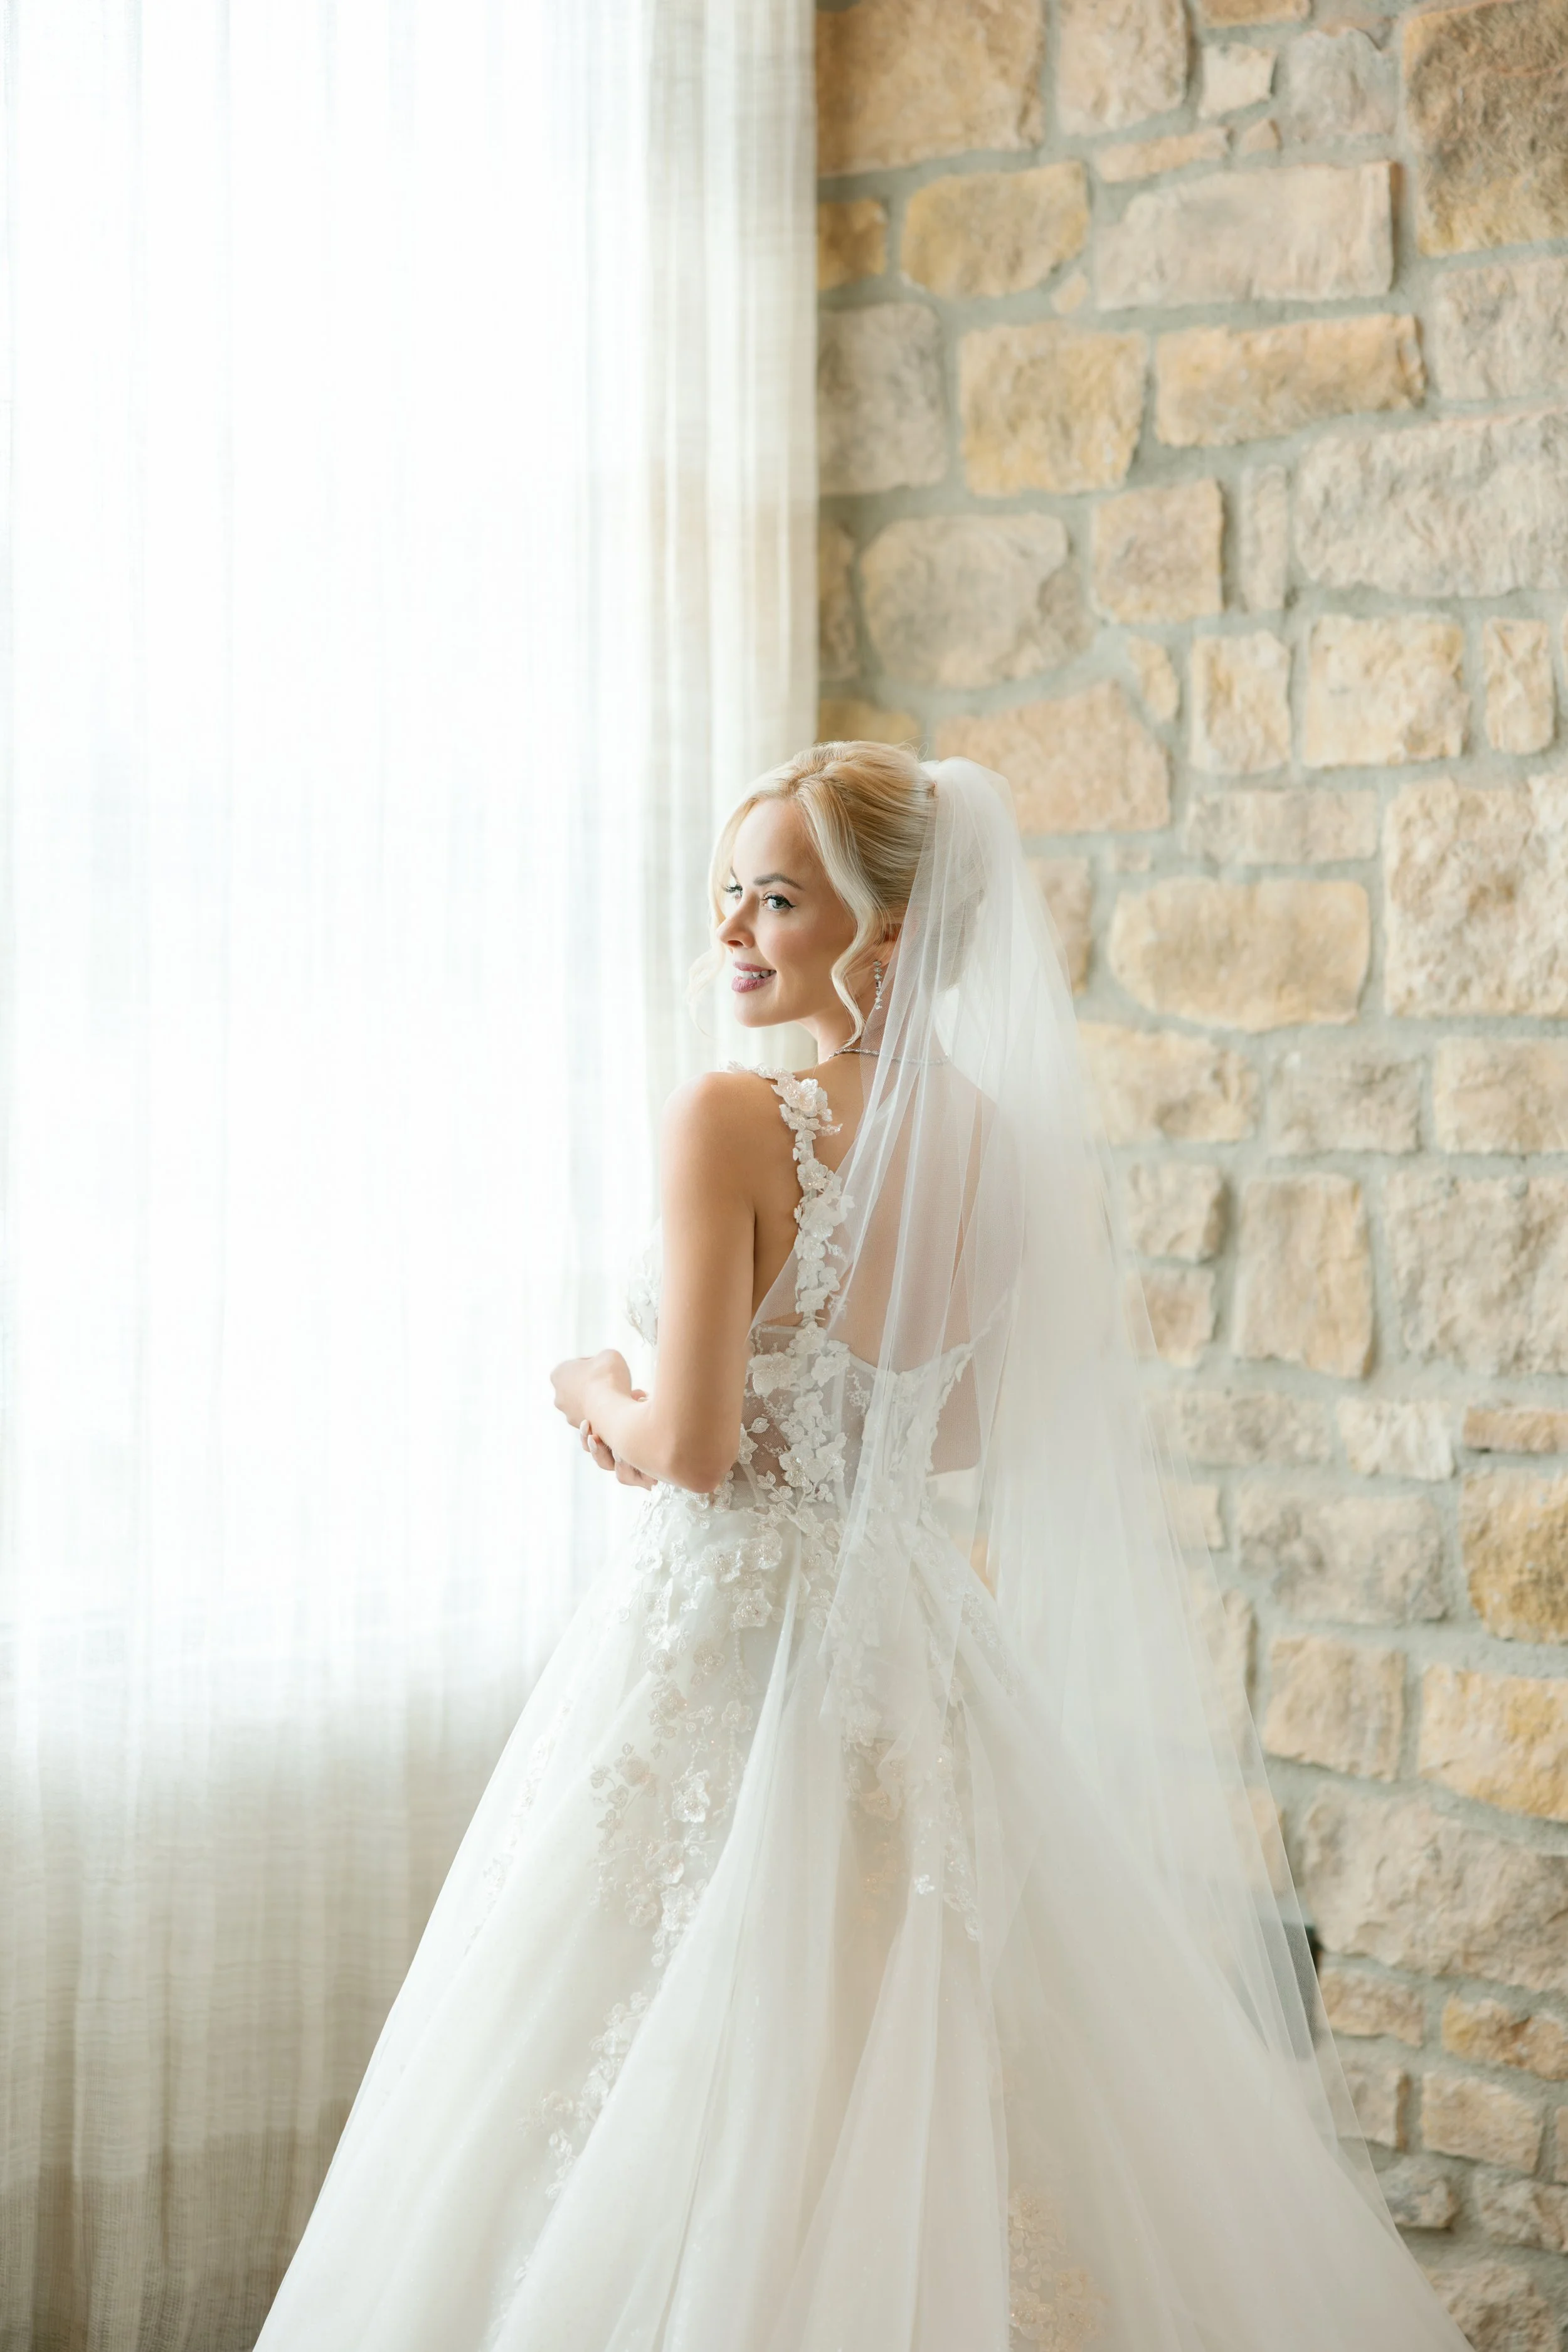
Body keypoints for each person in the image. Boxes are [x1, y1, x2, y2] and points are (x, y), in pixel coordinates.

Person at [255, 744, 1471, 2350]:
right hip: (904, 1640)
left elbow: (685, 1452)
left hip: (726, 1643)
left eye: (776, 896)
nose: (735, 932)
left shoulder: (730, 1117)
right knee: (921, 2029)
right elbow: (949, 1435)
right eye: (726, 896)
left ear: (883, 933)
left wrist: (589, 1386)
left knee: (682, 2034)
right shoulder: (992, 1144)